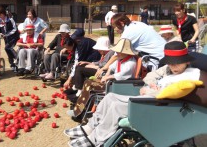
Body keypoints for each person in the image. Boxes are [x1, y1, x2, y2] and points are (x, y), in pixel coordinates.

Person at [64, 41, 200, 147]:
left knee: (117, 106)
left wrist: (150, 90)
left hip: (159, 106)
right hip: (149, 99)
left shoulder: (189, 76)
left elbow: (170, 93)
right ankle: (90, 127)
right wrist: (151, 84)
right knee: (110, 97)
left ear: (187, 61)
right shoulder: (168, 69)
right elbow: (150, 76)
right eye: (170, 63)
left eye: (177, 63)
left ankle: (95, 140)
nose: (173, 66)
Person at [67, 38, 137, 118]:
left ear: (126, 52)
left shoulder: (130, 63)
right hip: (113, 83)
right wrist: (107, 73)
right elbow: (111, 67)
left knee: (89, 84)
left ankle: (80, 110)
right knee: (88, 82)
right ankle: (79, 109)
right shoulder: (121, 59)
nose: (117, 53)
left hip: (119, 86)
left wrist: (107, 77)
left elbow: (121, 75)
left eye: (119, 51)